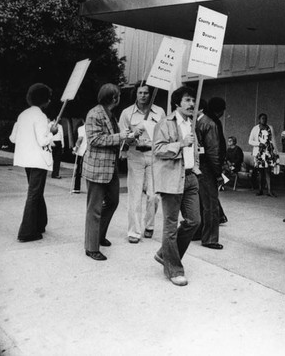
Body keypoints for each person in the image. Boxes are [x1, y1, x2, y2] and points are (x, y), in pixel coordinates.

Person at [152, 86, 201, 286]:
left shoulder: (192, 124)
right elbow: (158, 149)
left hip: (190, 178)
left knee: (194, 221)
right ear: (177, 103)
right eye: (187, 100)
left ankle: (165, 253)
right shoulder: (165, 123)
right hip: (172, 179)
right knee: (170, 226)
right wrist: (180, 143)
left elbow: (195, 150)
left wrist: (196, 167)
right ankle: (173, 269)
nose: (191, 104)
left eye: (192, 100)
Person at [83, 83, 130, 261]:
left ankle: (98, 234)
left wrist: (128, 136)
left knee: (113, 201)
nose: (119, 98)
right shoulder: (95, 114)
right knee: (94, 208)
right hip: (97, 168)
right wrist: (121, 136)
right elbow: (95, 139)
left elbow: (113, 138)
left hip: (110, 167)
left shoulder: (110, 114)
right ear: (113, 98)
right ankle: (91, 247)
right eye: (117, 95)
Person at [9, 83, 58, 242]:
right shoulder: (40, 116)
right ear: (43, 100)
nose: (50, 101)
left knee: (36, 192)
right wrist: (52, 132)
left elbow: (13, 138)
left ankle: (40, 223)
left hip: (26, 160)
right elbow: (43, 141)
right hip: (38, 160)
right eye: (48, 98)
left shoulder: (23, 115)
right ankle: (26, 232)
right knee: (34, 194)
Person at [119, 81, 166, 243]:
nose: (143, 96)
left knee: (154, 196)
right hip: (135, 156)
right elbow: (122, 139)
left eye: (146, 93)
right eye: (140, 93)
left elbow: (164, 134)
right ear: (136, 94)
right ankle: (134, 231)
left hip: (154, 156)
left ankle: (149, 225)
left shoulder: (159, 112)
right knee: (135, 195)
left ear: (150, 94)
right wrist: (133, 134)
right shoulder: (127, 113)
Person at [195, 98, 224, 250]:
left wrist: (217, 173)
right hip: (203, 167)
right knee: (208, 204)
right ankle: (208, 237)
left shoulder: (205, 123)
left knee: (208, 204)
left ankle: (206, 235)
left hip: (205, 167)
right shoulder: (204, 123)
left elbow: (213, 151)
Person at [207, 97, 228, 224]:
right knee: (212, 192)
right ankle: (218, 216)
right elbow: (216, 147)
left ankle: (220, 215)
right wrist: (218, 169)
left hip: (212, 162)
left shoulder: (209, 121)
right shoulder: (213, 123)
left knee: (211, 192)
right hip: (213, 163)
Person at [249, 113, 278, 196]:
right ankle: (260, 190)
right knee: (260, 172)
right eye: (262, 118)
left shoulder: (270, 128)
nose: (264, 120)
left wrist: (276, 152)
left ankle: (269, 190)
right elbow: (250, 141)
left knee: (268, 171)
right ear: (259, 119)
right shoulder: (255, 129)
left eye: (265, 118)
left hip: (268, 152)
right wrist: (258, 144)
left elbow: (273, 140)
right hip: (259, 153)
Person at [72, 121, 87, 193]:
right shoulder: (93, 128)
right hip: (90, 151)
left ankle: (77, 188)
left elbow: (80, 139)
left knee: (78, 170)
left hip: (82, 152)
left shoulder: (81, 128)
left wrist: (76, 149)